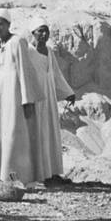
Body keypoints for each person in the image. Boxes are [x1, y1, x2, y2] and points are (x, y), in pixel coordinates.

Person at [0, 10, 45, 187]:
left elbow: (25, 70)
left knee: (13, 134)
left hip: (14, 95)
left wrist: (27, 99)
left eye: (0, 24)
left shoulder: (17, 42)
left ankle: (14, 176)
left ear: (8, 24)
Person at [29, 20, 76, 183]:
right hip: (33, 98)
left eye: (46, 31)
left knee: (49, 132)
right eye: (40, 31)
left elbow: (56, 74)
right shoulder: (27, 52)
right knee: (35, 134)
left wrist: (68, 92)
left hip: (48, 99)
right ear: (33, 32)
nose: (44, 35)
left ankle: (51, 172)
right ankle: (36, 174)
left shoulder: (49, 51)